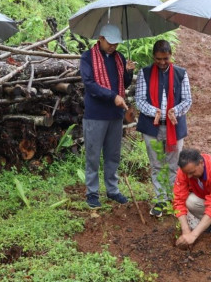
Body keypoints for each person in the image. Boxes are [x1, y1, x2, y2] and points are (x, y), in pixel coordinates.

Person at [80, 24, 135, 208]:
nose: (113, 47)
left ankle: (112, 189)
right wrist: (113, 96)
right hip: (95, 114)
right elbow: (90, 84)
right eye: (110, 43)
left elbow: (123, 83)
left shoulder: (119, 58)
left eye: (116, 44)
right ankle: (92, 193)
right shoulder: (88, 57)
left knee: (113, 154)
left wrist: (129, 71)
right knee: (93, 155)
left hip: (115, 115)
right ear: (101, 39)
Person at [135, 40, 192, 217]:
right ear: (154, 56)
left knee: (174, 165)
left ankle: (174, 199)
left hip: (174, 127)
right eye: (158, 59)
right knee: (157, 164)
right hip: (152, 128)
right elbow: (139, 100)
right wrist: (155, 112)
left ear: (171, 55)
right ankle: (161, 199)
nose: (162, 63)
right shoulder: (144, 73)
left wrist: (175, 110)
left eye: (165, 59)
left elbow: (187, 100)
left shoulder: (181, 74)